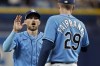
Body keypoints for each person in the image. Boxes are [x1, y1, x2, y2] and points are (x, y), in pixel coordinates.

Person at [37, 0, 89, 66]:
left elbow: (46, 47)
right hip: (73, 64)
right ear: (73, 7)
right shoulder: (81, 24)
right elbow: (85, 48)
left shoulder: (53, 20)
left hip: (56, 63)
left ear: (58, 5)